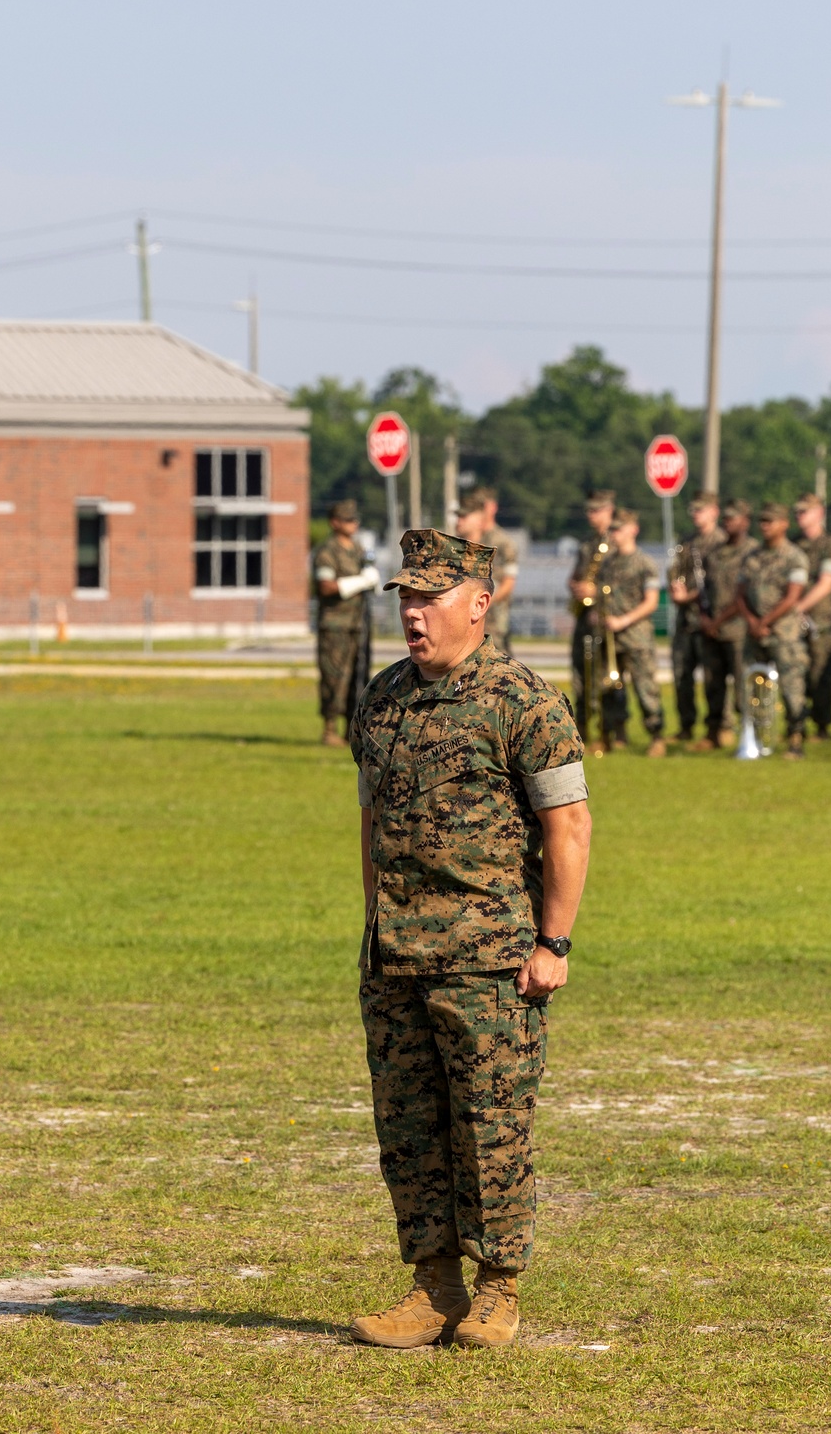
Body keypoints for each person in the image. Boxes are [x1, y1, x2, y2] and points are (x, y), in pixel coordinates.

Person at [348, 529, 591, 1351]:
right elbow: (371, 821)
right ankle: (433, 1286)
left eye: (431, 599)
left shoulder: (524, 700)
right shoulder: (381, 697)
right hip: (396, 959)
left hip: (490, 962)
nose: (414, 615)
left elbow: (569, 827)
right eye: (407, 599)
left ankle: (498, 1288)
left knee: (492, 1126)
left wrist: (553, 943)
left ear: (479, 604)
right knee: (409, 1128)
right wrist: (374, 925)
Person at [737, 502, 809, 759]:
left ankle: (795, 738)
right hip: (754, 631)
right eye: (762, 521)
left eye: (770, 521)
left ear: (784, 524)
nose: (764, 526)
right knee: (752, 686)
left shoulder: (795, 557)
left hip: (784, 632)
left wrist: (765, 621)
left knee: (791, 686)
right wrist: (752, 621)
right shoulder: (752, 557)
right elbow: (740, 594)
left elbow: (792, 598)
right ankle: (754, 740)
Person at [598, 509, 667, 757]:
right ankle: (615, 734)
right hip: (610, 638)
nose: (614, 534)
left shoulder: (644, 563)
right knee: (610, 689)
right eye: (612, 529)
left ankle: (657, 735)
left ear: (633, 530)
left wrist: (623, 620)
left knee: (645, 688)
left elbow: (651, 602)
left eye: (619, 529)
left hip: (636, 637)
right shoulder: (608, 563)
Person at [312, 499, 379, 746]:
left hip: (358, 624)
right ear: (335, 523)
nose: (354, 523)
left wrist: (371, 580)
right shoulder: (327, 551)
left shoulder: (359, 550)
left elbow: (369, 574)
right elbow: (326, 586)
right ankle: (329, 728)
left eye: (355, 519)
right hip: (335, 625)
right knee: (334, 677)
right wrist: (360, 581)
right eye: (348, 519)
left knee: (358, 677)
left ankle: (352, 729)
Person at [697, 500, 758, 751]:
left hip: (738, 630)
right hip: (712, 630)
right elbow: (704, 590)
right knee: (713, 684)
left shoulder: (753, 551)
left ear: (745, 521)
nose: (728, 522)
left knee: (743, 687)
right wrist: (704, 617)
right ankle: (714, 733)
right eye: (726, 518)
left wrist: (718, 620)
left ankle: (747, 735)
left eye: (733, 518)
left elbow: (745, 595)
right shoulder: (715, 553)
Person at [667, 491, 723, 743]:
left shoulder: (720, 541)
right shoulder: (687, 540)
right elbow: (676, 570)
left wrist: (688, 596)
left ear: (714, 511)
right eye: (693, 510)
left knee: (713, 676)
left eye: (701, 510)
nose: (696, 515)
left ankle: (719, 727)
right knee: (682, 674)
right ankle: (686, 726)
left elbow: (717, 582)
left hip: (709, 617)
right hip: (685, 619)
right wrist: (674, 587)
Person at [794, 494, 831, 739]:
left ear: (819, 514)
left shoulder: (830, 546)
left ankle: (822, 727)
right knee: (795, 673)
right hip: (793, 622)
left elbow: (826, 584)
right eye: (797, 511)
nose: (800, 515)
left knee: (820, 675)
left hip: (820, 622)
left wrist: (798, 605)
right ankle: (796, 724)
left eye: (805, 511)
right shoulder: (793, 544)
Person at [567, 491, 617, 741]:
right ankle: (583, 725)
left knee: (606, 675)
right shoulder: (586, 544)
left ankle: (611, 730)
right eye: (589, 510)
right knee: (580, 672)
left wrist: (596, 591)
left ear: (609, 511)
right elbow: (576, 575)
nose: (591, 515)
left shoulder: (616, 543)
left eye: (596, 510)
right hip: (584, 617)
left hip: (606, 618)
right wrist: (575, 586)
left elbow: (622, 583)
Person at [455, 493, 515, 654]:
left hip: (492, 621)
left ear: (479, 519)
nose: (458, 521)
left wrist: (482, 605)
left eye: (464, 516)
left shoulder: (498, 545)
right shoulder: (453, 550)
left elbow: (509, 581)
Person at [474, 487, 520, 655]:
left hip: (495, 616)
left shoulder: (503, 542)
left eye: (482, 505)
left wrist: (486, 602)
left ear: (492, 507)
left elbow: (509, 582)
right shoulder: (471, 538)